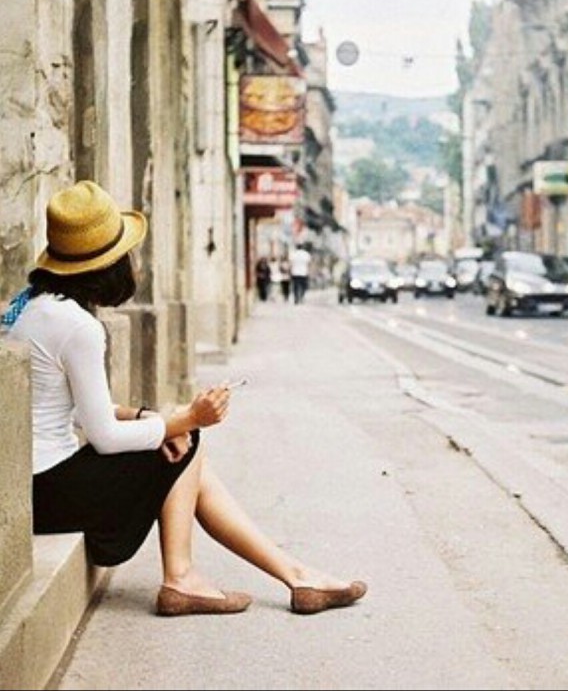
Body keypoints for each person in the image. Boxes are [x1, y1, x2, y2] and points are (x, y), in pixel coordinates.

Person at [1, 180, 367, 617]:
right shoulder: (78, 327)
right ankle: (184, 578)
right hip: (47, 492)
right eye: (127, 254)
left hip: (34, 484)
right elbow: (104, 437)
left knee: (182, 445)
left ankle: (295, 576)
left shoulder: (35, 307)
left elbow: (74, 408)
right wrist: (187, 419)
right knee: (185, 443)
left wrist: (149, 416)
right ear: (109, 265)